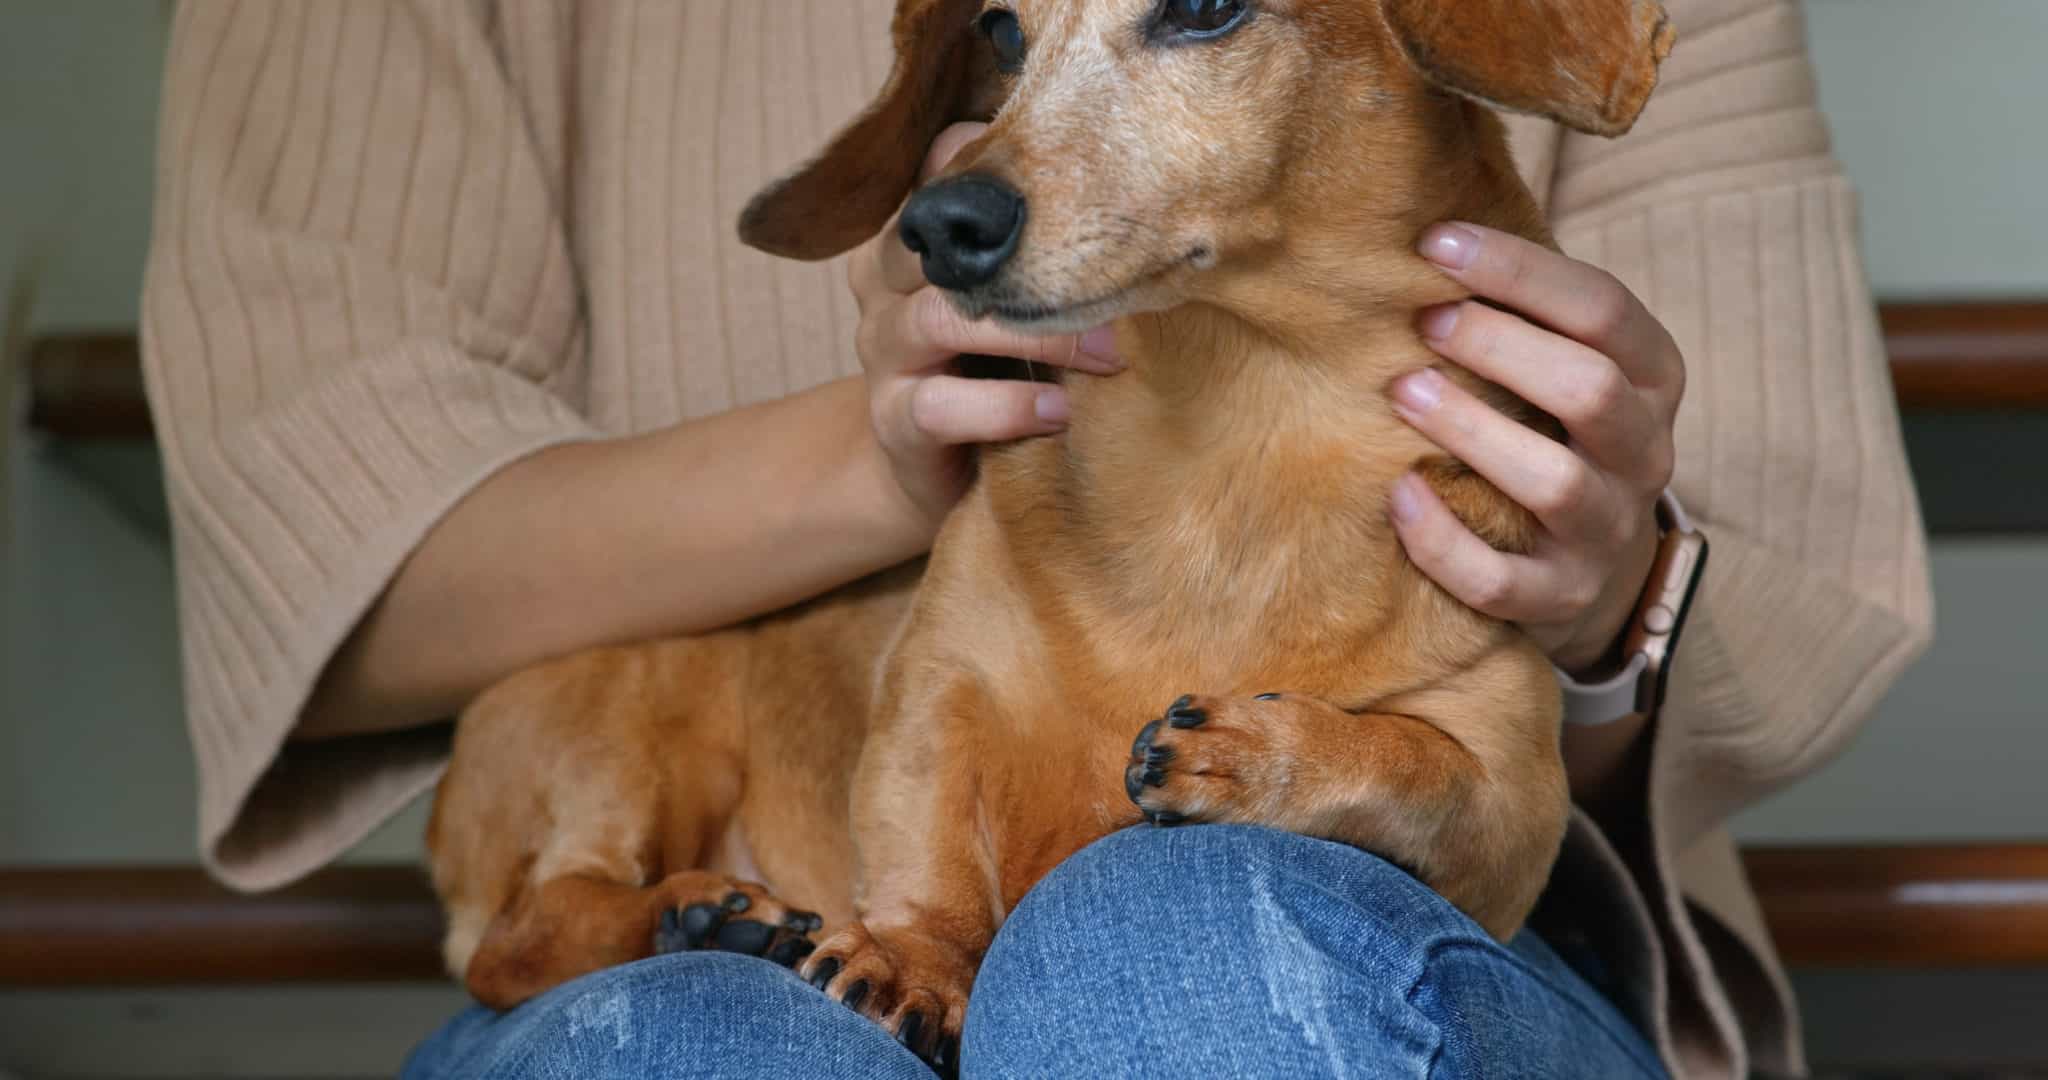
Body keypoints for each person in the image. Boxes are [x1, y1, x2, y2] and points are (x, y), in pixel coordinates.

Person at [140, 1, 1932, 1078]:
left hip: (1429, 928)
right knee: (695, 1043)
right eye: (1002, 33)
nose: (1006, 131)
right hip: (790, 877)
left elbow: (1819, 595)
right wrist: (885, 457)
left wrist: (1614, 586)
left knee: (1178, 951)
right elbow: (321, 533)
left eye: (1198, 5)